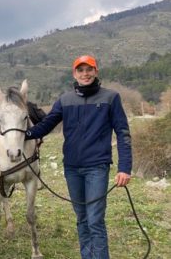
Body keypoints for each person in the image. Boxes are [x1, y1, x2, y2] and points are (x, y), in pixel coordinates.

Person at [25, 55, 132, 259]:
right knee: (82, 219)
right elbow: (46, 125)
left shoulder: (111, 97)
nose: (85, 74)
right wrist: (23, 134)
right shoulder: (65, 100)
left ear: (96, 71)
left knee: (95, 220)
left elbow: (123, 133)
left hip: (97, 167)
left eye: (89, 69)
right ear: (74, 74)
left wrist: (124, 167)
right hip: (72, 168)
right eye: (80, 70)